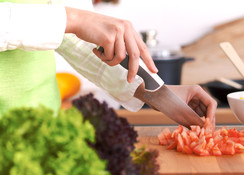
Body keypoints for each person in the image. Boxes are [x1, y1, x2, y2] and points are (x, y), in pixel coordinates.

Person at [0, 0, 217, 126]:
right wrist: (73, 19)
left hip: (42, 127)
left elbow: (74, 35)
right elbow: (69, 21)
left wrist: (149, 90)